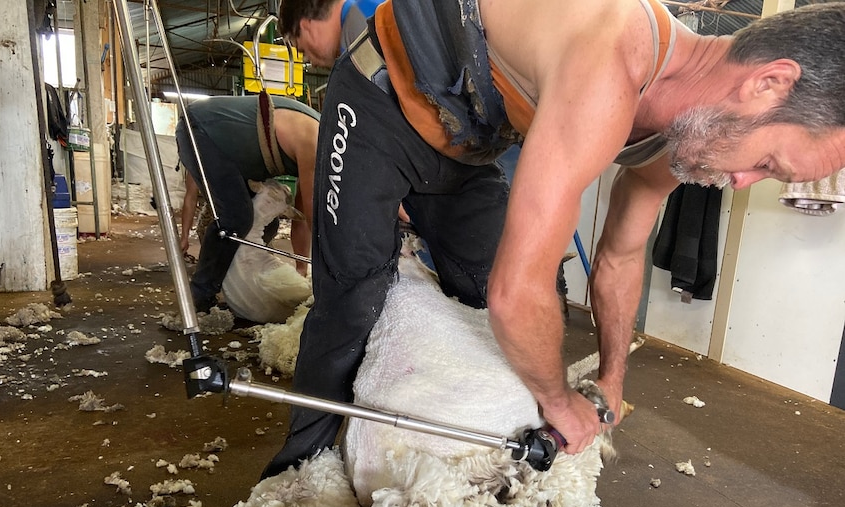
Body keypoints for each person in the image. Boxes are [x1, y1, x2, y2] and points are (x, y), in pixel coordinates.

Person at [262, 0, 845, 478]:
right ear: (769, 83)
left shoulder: (682, 137)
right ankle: (298, 472)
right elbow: (518, 296)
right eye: (769, 163)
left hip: (468, 147)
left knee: (480, 288)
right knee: (354, 292)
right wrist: (560, 401)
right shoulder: (612, 55)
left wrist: (611, 377)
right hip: (378, 101)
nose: (742, 183)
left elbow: (619, 256)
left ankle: (449, 461)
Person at [176, 93, 319, 313]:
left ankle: (237, 279)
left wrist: (302, 270)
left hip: (228, 144)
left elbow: (302, 217)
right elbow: (314, 216)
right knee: (237, 217)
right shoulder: (318, 143)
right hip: (202, 130)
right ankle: (200, 295)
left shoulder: (323, 144)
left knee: (268, 224)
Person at [277, 0, 382, 68]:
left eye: (304, 52)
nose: (312, 64)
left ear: (306, 27)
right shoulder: (370, 7)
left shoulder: (359, 35)